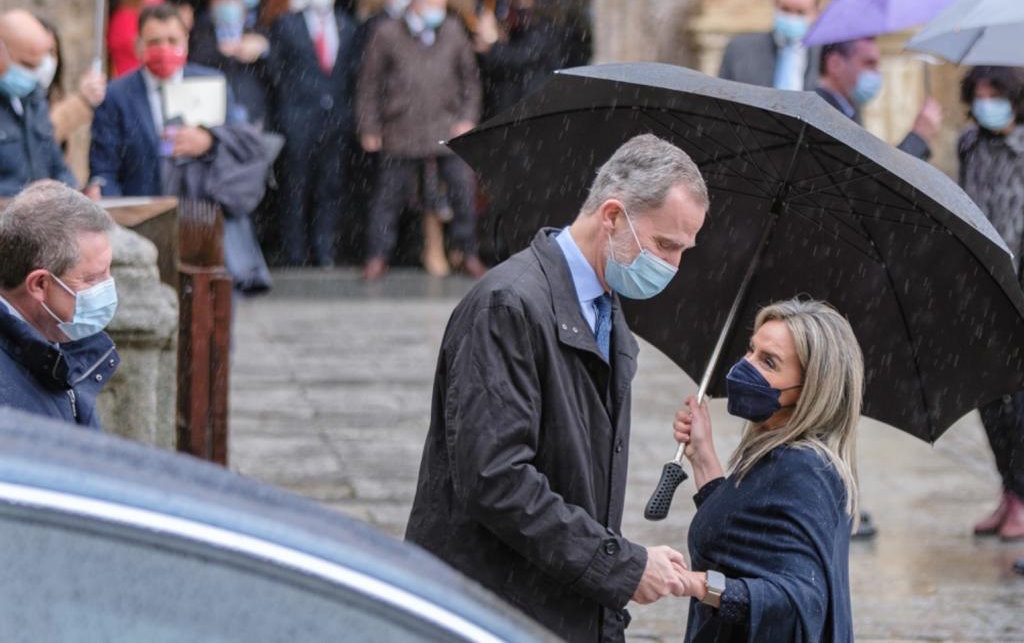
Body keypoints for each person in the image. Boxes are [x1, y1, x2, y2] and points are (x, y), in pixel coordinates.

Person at [406, 134, 708, 642]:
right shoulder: (508, 305)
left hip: (553, 606)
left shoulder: (607, 313)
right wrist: (621, 566)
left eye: (683, 250)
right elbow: (497, 478)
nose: (673, 267)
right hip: (494, 609)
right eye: (665, 245)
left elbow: (580, 485)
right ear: (612, 215)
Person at [672, 299, 860, 642]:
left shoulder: (803, 469)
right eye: (751, 350)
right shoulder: (777, 453)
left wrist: (697, 584)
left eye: (768, 362)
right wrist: (702, 455)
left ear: (809, 390)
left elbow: (799, 599)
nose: (746, 366)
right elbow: (743, 538)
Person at [357, 0, 486, 280]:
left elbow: (471, 81)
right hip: (401, 129)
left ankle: (468, 253)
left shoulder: (453, 30)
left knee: (462, 193)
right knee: (388, 197)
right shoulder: (387, 32)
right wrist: (369, 127)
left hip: (447, 129)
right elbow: (370, 84)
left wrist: (467, 118)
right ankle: (378, 256)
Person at [957, 66, 1024, 542]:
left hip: (1020, 287)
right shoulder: (968, 144)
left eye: (994, 92)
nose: (986, 100)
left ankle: (1023, 497)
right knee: (989, 400)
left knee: (1019, 405)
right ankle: (1009, 490)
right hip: (980, 289)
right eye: (979, 92)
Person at [88, 3, 249, 198]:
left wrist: (210, 140)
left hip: (204, 211)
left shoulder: (213, 83)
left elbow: (241, 141)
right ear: (138, 45)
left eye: (172, 41)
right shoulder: (116, 95)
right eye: (154, 42)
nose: (164, 49)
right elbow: (104, 168)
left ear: (186, 42)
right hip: (142, 213)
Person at [0, 180, 120, 430]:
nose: (107, 286)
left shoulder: (59, 340)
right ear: (40, 284)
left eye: (109, 271)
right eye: (91, 279)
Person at [266, 0, 358, 267]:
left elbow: (349, 70)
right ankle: (294, 251)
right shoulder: (286, 24)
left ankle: (324, 248)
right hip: (297, 119)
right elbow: (276, 69)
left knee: (330, 186)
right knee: (295, 187)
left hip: (335, 120)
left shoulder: (346, 24)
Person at [815, 38, 941, 161]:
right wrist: (918, 137)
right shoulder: (822, 116)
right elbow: (865, 178)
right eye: (869, 63)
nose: (877, 73)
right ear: (835, 64)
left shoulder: (846, 110)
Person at [0, 10, 77, 196]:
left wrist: (67, 189)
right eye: (27, 65)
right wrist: (26, 194)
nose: (34, 74)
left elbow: (58, 167)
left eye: (40, 63)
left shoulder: (34, 99)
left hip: (38, 218)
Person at [189, 0, 271, 128]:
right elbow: (195, 63)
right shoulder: (197, 32)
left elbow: (278, 72)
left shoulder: (259, 30)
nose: (228, 3)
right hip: (214, 116)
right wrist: (223, 53)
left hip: (254, 114)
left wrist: (264, 49)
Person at [718, 0, 821, 91]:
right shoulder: (740, 50)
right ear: (775, 6)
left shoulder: (826, 57)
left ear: (815, 14)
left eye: (800, 13)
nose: (792, 18)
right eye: (785, 9)